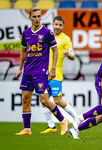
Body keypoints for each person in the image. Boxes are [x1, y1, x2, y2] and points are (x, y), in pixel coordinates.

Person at [15, 7, 68, 136]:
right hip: (28, 71)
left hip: (41, 72)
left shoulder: (47, 33)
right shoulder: (26, 33)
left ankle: (63, 120)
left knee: (44, 100)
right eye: (34, 16)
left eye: (39, 16)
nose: (37, 19)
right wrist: (20, 68)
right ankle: (27, 129)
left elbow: (55, 50)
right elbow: (23, 51)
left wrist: (53, 68)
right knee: (25, 99)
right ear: (30, 18)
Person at [40, 16, 78, 134]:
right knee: (44, 101)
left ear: (63, 26)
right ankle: (51, 126)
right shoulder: (47, 36)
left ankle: (76, 118)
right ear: (52, 24)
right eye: (56, 24)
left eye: (60, 25)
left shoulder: (65, 39)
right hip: (43, 74)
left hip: (56, 75)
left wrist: (68, 54)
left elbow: (73, 56)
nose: (57, 27)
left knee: (57, 100)